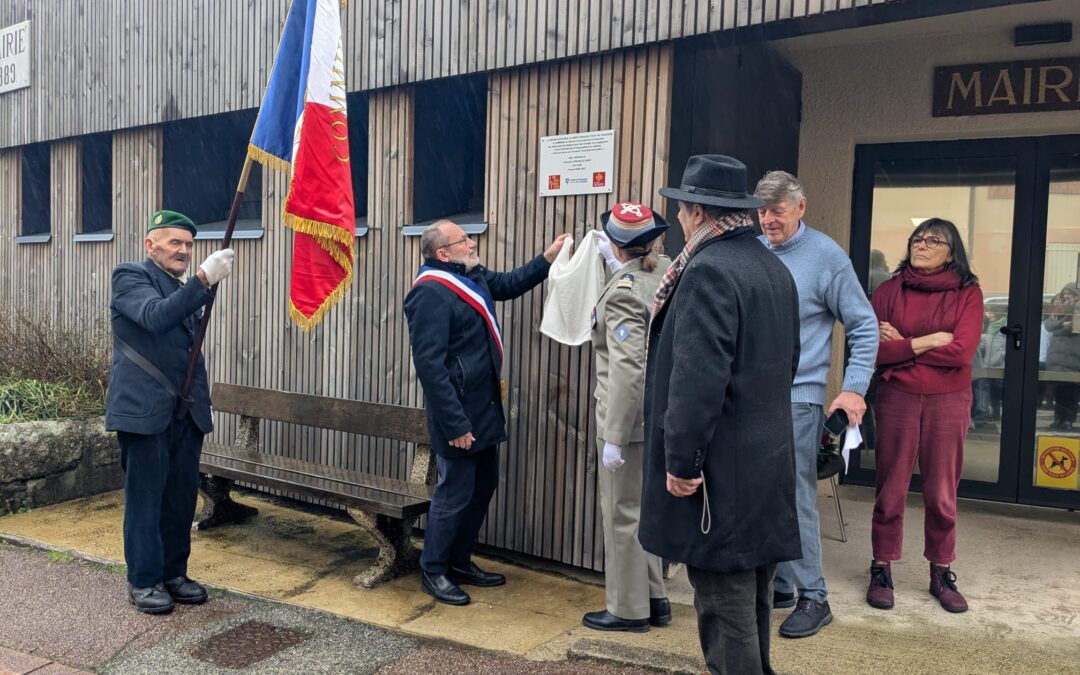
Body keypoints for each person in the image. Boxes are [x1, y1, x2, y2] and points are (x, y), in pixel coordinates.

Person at [640, 155, 801, 674]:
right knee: (753, 600)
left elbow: (696, 383)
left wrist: (682, 463)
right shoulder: (771, 265)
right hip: (765, 461)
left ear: (692, 211)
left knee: (725, 612)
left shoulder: (707, 269)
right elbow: (788, 362)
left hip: (719, 473)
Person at [404, 219, 569, 605]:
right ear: (443, 252)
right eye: (464, 240)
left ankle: (460, 561)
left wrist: (545, 259)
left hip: (484, 406)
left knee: (483, 486)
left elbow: (508, 285)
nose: (472, 241)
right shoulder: (429, 293)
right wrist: (455, 423)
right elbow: (430, 366)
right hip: (458, 414)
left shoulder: (470, 275)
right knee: (455, 493)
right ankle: (434, 569)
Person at [754, 171, 879, 638]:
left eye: (777, 212)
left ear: (801, 207)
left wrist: (854, 388)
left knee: (797, 497)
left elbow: (864, 327)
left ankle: (815, 597)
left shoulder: (827, 257)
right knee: (768, 493)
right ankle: (784, 583)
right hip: (755, 399)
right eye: (762, 211)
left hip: (800, 398)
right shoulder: (755, 251)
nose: (767, 220)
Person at [105, 209, 235, 614]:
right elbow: (155, 317)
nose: (183, 250)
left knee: (180, 498)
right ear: (151, 244)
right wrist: (202, 280)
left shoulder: (182, 287)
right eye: (174, 242)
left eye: (188, 245)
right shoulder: (130, 277)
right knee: (146, 500)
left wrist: (197, 285)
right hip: (144, 411)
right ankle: (144, 580)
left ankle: (174, 572)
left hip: (184, 412)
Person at [869, 217, 983, 614]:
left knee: (940, 491)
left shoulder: (968, 294)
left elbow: (962, 353)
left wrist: (904, 344)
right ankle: (881, 566)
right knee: (891, 486)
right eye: (917, 237)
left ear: (952, 252)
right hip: (897, 397)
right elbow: (873, 350)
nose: (922, 244)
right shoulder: (887, 291)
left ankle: (941, 570)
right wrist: (929, 340)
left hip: (947, 401)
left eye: (934, 240)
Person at [582, 202, 672, 633]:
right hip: (658, 416)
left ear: (615, 246)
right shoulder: (665, 269)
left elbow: (626, 368)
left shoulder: (622, 291)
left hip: (626, 420)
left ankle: (627, 609)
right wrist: (616, 265)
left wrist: (614, 435)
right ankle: (655, 597)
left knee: (621, 514)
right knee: (645, 509)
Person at [1044, 283, 1080, 431]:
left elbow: (1075, 328)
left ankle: (1068, 420)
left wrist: (1062, 326)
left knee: (1070, 391)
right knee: (1058, 391)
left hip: (1072, 356)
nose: (1066, 296)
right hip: (1056, 357)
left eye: (1069, 293)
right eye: (1064, 293)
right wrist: (1062, 324)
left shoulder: (1076, 309)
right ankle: (1058, 418)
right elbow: (1048, 325)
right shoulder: (1060, 308)